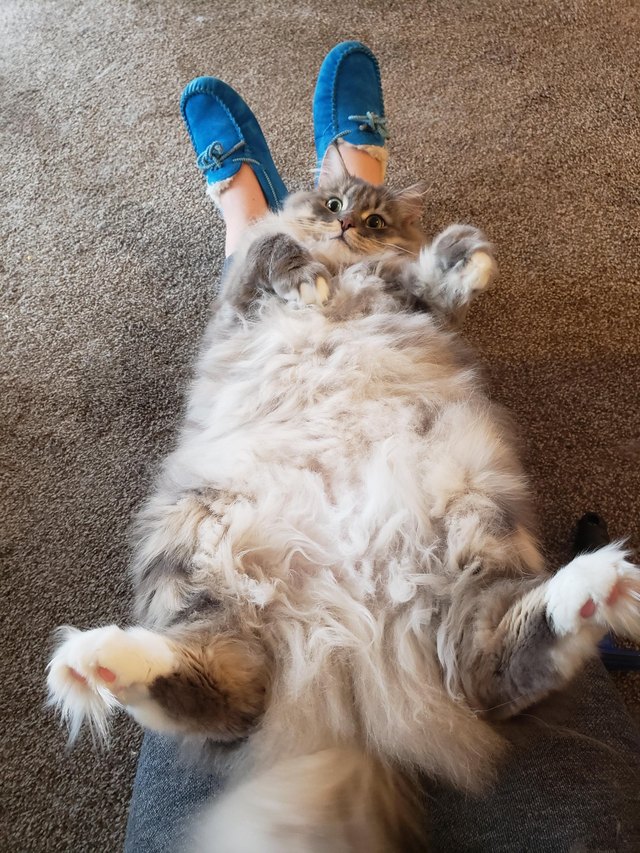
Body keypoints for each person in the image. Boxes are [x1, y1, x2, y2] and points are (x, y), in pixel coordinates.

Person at [124, 42, 640, 853]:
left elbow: (428, 283)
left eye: (360, 213)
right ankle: (333, 188)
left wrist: (421, 270)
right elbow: (429, 292)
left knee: (212, 509)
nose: (344, 223)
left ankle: (255, 228)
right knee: (463, 521)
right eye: (343, 212)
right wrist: (436, 271)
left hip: (270, 436)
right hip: (394, 438)